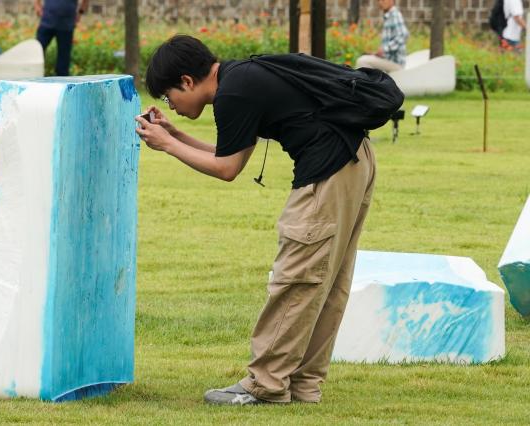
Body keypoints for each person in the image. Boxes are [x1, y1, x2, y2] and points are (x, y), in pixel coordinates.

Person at [136, 35, 376, 405]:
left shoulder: (233, 94)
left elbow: (227, 168)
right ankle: (302, 384)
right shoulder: (240, 78)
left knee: (296, 279)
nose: (173, 106)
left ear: (186, 81)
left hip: (328, 172)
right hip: (354, 162)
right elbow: (229, 152)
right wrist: (175, 135)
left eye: (169, 97)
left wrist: (166, 146)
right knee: (327, 281)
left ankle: (265, 384)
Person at [34, 0, 89, 76]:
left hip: (66, 25)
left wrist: (80, 12)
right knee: (36, 53)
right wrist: (37, 6)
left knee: (63, 64)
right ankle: (34, 80)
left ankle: (63, 85)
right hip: (47, 22)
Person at [356, 0, 409, 72]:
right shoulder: (389, 16)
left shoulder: (394, 14)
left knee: (362, 61)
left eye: (383, 0)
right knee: (366, 58)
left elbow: (403, 35)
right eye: (379, 0)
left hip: (396, 64)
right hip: (389, 60)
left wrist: (385, 49)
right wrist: (378, 53)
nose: (380, 2)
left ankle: (367, 83)